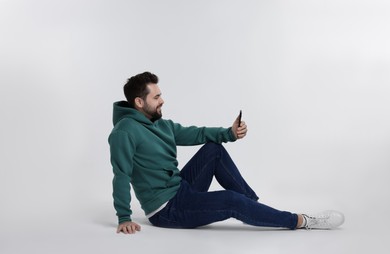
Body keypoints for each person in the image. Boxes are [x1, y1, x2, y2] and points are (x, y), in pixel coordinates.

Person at [108, 71, 345, 235]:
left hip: (181, 189)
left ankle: (252, 207)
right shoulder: (125, 132)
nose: (163, 100)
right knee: (231, 201)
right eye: (156, 97)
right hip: (166, 210)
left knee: (213, 149)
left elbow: (197, 134)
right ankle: (302, 221)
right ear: (139, 102)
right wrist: (124, 218)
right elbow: (121, 174)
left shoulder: (158, 123)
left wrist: (229, 133)